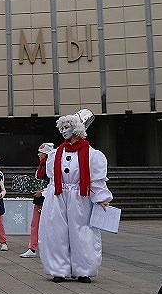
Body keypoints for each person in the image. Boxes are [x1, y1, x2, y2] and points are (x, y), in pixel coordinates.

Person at [39, 109, 113, 283]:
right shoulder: (56, 153)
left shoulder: (93, 155)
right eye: (62, 127)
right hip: (58, 196)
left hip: (80, 197)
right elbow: (52, 179)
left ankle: (83, 270)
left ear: (77, 129)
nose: (64, 131)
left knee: (83, 232)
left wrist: (101, 198)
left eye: (68, 127)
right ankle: (58, 269)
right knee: (56, 232)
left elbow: (96, 180)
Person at [20, 142, 54, 258]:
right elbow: (38, 181)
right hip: (39, 201)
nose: (38, 154)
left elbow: (53, 184)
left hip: (49, 201)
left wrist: (43, 192)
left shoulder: (52, 167)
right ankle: (32, 248)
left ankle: (51, 249)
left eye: (41, 152)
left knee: (50, 226)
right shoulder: (40, 167)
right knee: (35, 224)